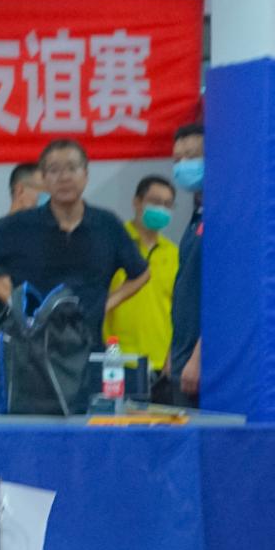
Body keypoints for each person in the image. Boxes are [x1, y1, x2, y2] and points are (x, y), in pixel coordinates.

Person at [0, 139, 150, 359]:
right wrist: (8, 296)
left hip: (88, 351)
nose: (64, 177)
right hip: (32, 355)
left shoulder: (107, 225)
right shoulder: (20, 225)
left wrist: (107, 303)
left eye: (72, 168)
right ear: (45, 179)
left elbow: (141, 273)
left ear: (85, 174)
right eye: (54, 170)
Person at [103, 175, 180, 393]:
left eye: (167, 204)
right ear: (137, 202)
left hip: (162, 364)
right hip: (117, 361)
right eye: (155, 202)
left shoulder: (174, 253)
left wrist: (173, 355)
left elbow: (180, 311)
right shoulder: (114, 243)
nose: (161, 209)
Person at [0, 163, 46, 340]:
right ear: (20, 190)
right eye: (43, 191)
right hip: (16, 339)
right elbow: (2, 287)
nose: (48, 198)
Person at [167, 122, 206, 403]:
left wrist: (198, 357)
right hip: (182, 356)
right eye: (177, 159)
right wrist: (173, 351)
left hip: (202, 362)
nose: (183, 166)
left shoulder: (226, 215)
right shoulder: (195, 218)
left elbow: (225, 298)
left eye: (192, 157)